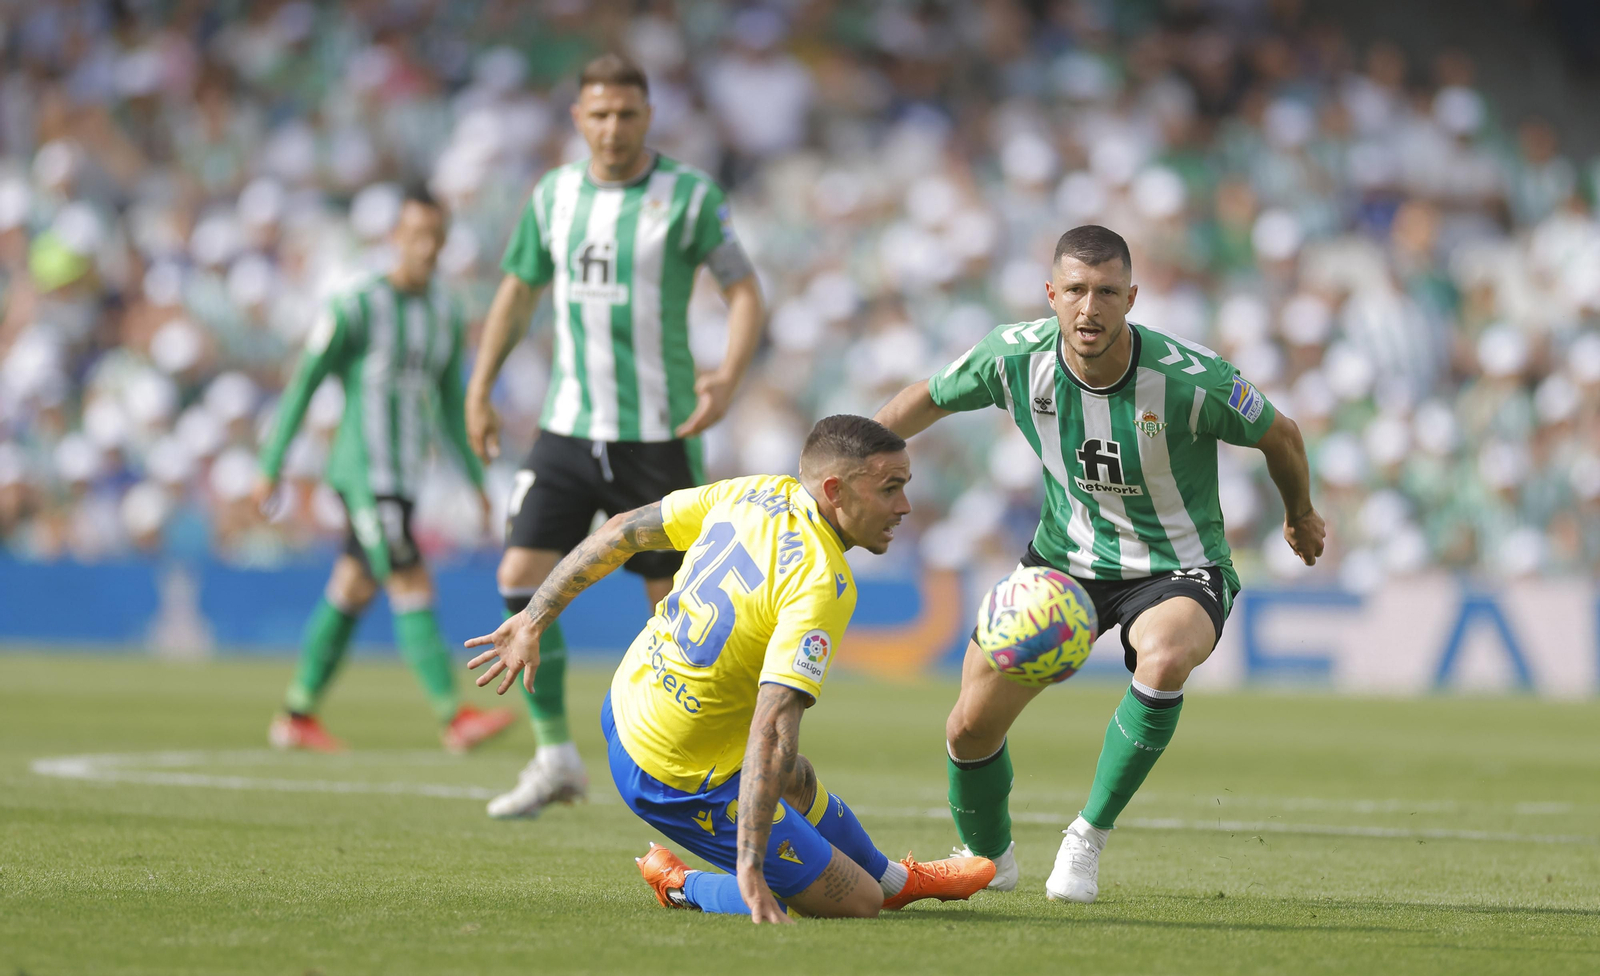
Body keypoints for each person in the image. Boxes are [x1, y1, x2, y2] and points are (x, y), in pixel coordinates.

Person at [874, 225, 1326, 903]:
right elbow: (926, 400)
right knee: (968, 726)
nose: (1091, 308)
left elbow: (1282, 435)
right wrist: (859, 465)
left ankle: (1086, 838)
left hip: (1178, 565)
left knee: (1166, 658)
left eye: (1108, 292)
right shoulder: (1013, 357)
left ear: (1131, 298)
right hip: (1064, 563)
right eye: (1077, 291)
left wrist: (1299, 513)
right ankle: (987, 859)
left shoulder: (1188, 379)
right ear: (1051, 295)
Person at [464, 415, 996, 922]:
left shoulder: (753, 491)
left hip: (631, 700)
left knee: (796, 776)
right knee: (852, 901)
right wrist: (750, 867)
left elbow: (624, 530)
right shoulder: (820, 583)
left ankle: (895, 881)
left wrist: (533, 617)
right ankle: (682, 885)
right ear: (834, 491)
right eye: (889, 488)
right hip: (674, 774)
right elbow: (771, 726)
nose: (905, 505)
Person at [465, 53, 765, 818]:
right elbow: (517, 291)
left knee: (679, 616)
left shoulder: (689, 196)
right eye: (598, 114)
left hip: (657, 437)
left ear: (647, 117)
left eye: (626, 114)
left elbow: (742, 291)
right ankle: (554, 756)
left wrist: (728, 375)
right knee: (520, 578)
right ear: (578, 118)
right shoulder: (554, 196)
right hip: (567, 426)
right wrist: (480, 385)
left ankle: (696, 768)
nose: (612, 128)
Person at [254, 185, 515, 754]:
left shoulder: (444, 314)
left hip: (404, 476)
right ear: (394, 238)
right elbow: (306, 381)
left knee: (352, 586)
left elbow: (449, 404)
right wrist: (272, 463)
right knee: (409, 576)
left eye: (435, 238)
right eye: (415, 235)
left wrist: (475, 477)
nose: (425, 247)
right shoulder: (357, 306)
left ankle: (296, 714)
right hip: (362, 472)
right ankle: (454, 715)